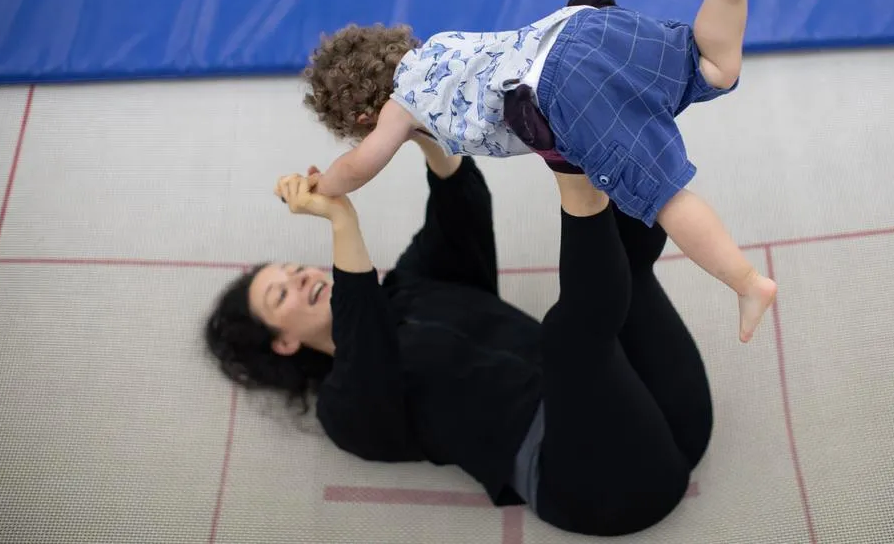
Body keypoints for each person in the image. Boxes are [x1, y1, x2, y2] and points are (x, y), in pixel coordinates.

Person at [204, 132, 714, 537]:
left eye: (295, 270)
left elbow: (458, 208)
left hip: (665, 417)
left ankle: (610, 112)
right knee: (573, 337)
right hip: (608, 487)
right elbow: (365, 341)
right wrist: (340, 221)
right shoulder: (344, 408)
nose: (302, 279)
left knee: (628, 266)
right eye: (281, 295)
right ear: (284, 343)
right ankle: (573, 173)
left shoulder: (413, 283)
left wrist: (417, 128)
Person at [300, 0, 811, 343]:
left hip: (563, 87)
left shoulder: (400, 106)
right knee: (711, 68)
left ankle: (747, 283)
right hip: (584, 25)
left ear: (364, 115)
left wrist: (328, 183)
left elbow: (363, 165)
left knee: (663, 194)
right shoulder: (437, 47)